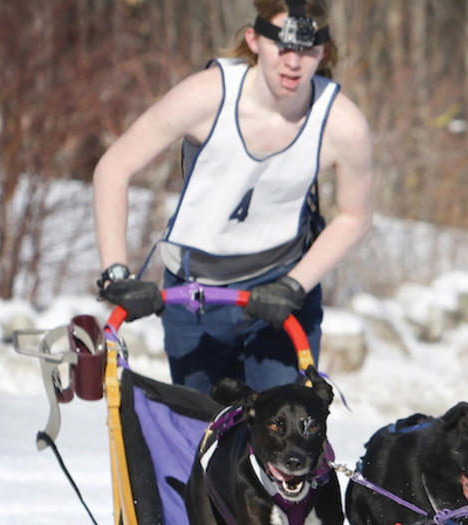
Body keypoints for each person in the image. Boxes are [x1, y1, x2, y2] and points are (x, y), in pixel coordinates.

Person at [92, 0, 372, 394]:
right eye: (283, 46)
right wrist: (117, 273)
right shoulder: (206, 96)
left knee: (283, 441)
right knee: (209, 436)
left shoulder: (341, 124)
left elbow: (355, 215)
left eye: (307, 50)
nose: (294, 62)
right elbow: (113, 169)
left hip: (280, 295)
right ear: (253, 39)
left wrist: (295, 285)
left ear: (323, 52)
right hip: (196, 294)